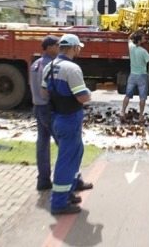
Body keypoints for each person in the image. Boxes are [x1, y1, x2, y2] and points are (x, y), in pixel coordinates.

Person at [42, 34, 92, 215]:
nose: (79, 50)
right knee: (66, 161)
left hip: (57, 117)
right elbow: (82, 97)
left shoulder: (49, 66)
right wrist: (88, 93)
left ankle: (69, 191)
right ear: (73, 48)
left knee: (75, 154)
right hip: (70, 118)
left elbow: (44, 92)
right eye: (78, 47)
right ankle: (59, 202)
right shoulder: (72, 69)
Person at [30, 35, 60, 191]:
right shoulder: (50, 66)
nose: (59, 47)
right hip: (48, 108)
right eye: (57, 44)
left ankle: (43, 180)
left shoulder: (35, 64)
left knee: (42, 144)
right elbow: (49, 90)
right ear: (49, 47)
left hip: (38, 107)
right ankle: (69, 180)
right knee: (63, 144)